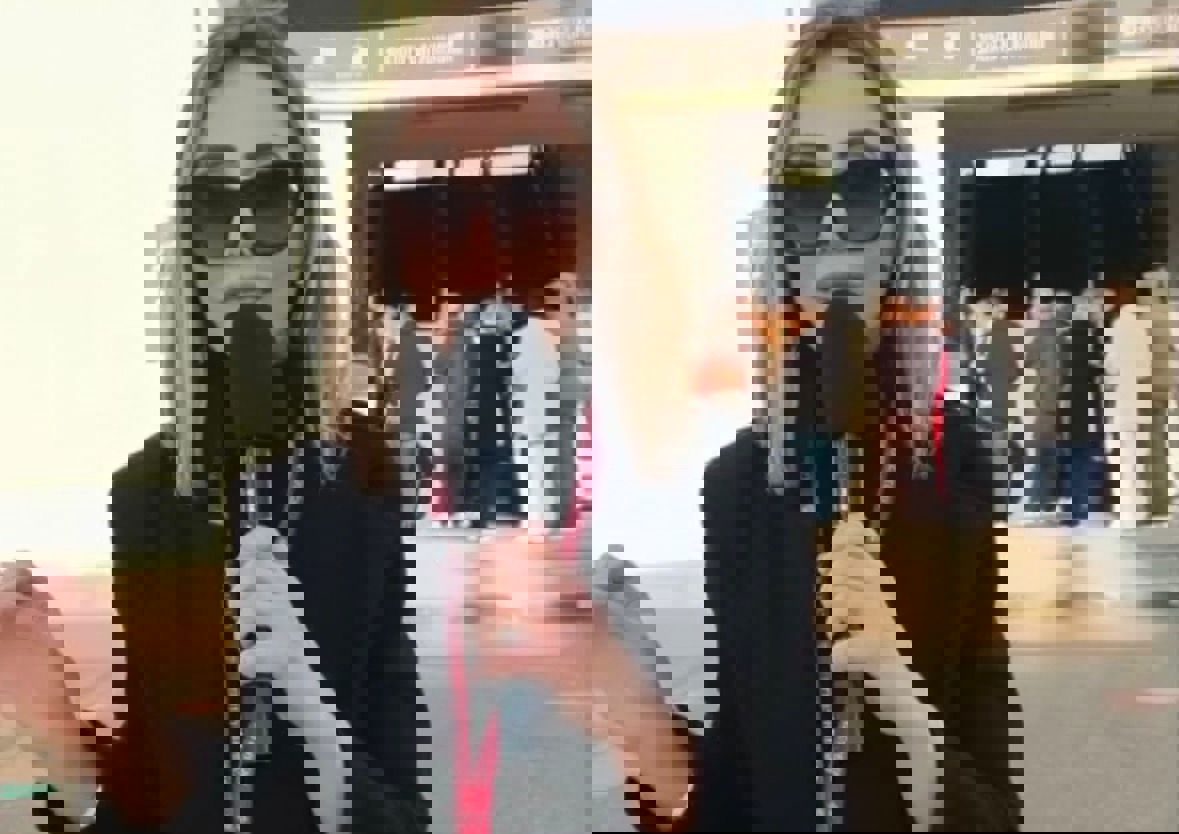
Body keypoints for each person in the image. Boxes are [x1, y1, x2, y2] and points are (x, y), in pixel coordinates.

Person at [469, 9, 1021, 833]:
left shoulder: (952, 464)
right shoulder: (739, 488)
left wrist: (898, 693)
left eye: (861, 178)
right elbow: (735, 802)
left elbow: (995, 808)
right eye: (805, 182)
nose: (832, 221)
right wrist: (621, 702)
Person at [0, 10, 427, 834]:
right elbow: (145, 813)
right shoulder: (148, 495)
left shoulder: (369, 489)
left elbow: (406, 818)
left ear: (306, 225)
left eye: (269, 190)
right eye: (212, 194)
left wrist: (315, 720)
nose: (240, 238)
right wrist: (46, 714)